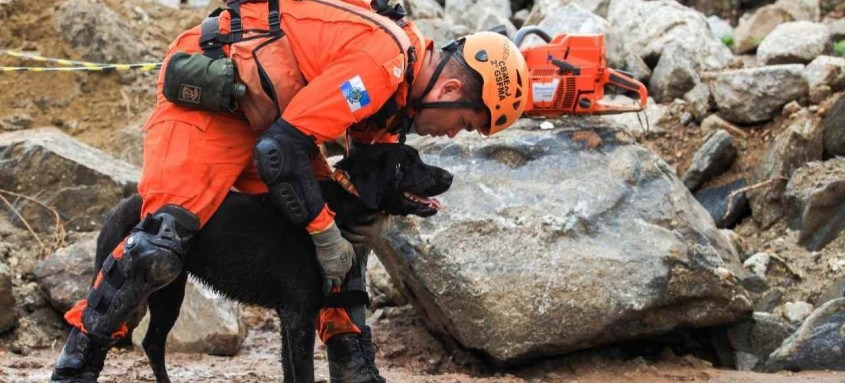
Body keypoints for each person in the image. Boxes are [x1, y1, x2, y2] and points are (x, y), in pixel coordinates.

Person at [50, 0, 527, 381]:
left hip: (271, 122)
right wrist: (322, 232)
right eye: (464, 123)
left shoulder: (398, 95)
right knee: (161, 242)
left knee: (352, 224)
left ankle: (351, 364)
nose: (451, 136)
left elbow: (345, 175)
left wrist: (344, 226)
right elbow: (280, 153)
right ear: (447, 91)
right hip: (214, 101)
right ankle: (77, 365)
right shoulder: (381, 65)